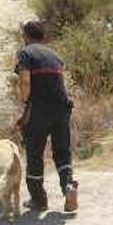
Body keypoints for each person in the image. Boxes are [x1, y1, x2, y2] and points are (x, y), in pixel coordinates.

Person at [14, 20, 78, 213]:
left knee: (34, 155)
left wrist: (25, 103)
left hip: (39, 110)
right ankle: (69, 189)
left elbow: (25, 82)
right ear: (43, 36)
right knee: (62, 153)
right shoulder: (54, 54)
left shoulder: (25, 53)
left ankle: (39, 200)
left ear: (26, 36)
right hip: (61, 109)